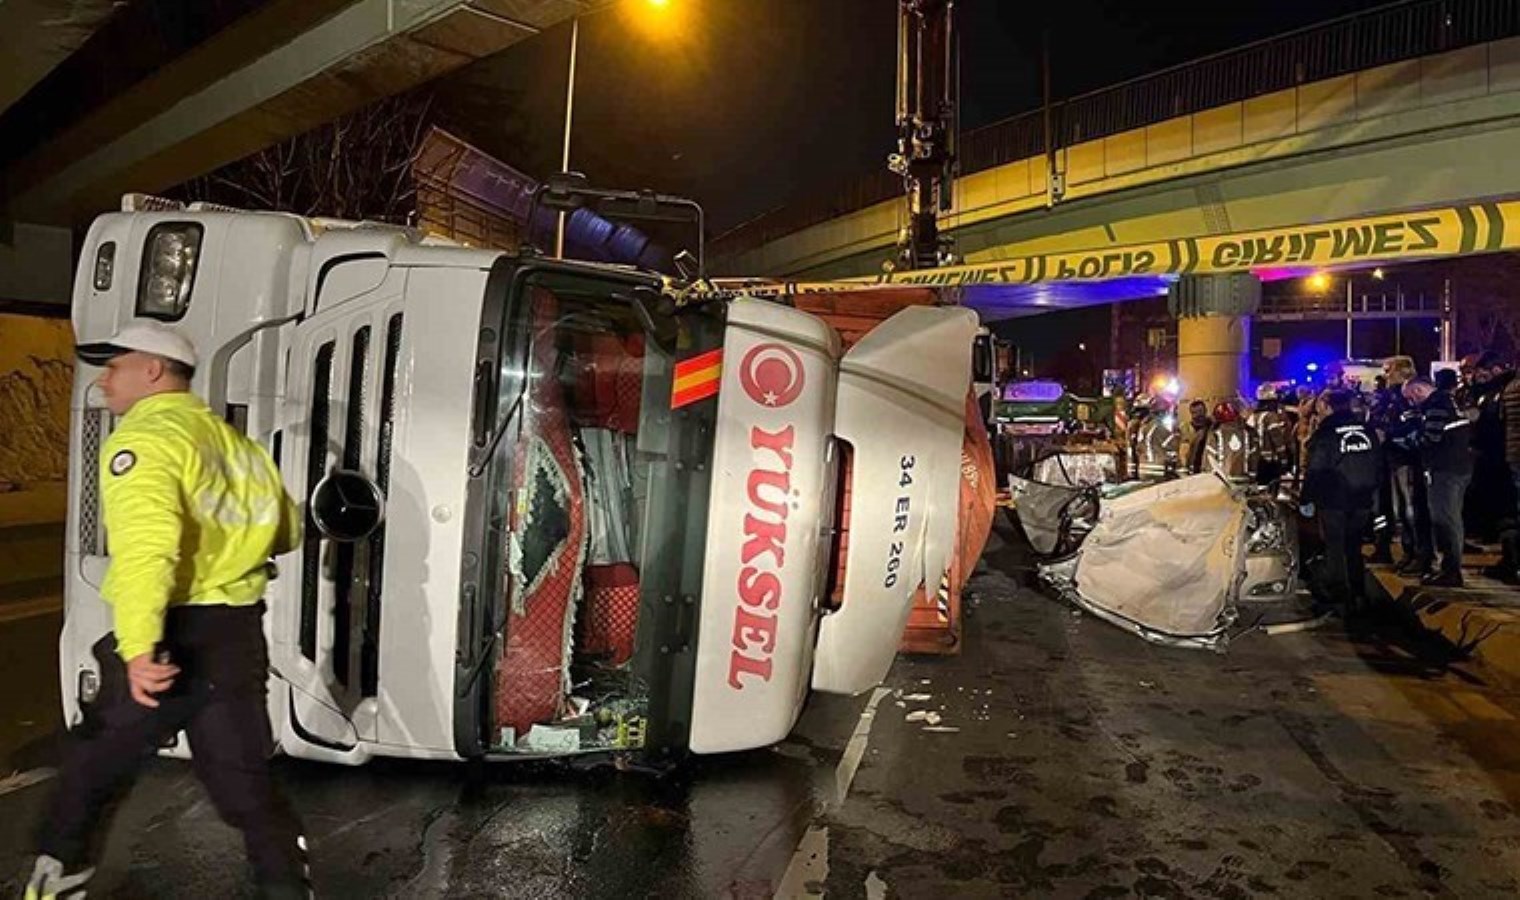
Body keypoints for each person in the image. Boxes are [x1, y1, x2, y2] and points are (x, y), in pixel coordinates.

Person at [28, 323, 310, 899]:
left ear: (153, 370)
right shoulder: (237, 447)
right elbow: (286, 528)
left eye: (115, 366)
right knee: (242, 782)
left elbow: (147, 551)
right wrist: (230, 552)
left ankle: (56, 883)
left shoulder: (145, 442)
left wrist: (137, 647)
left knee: (92, 764)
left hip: (172, 635)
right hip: (236, 633)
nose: (103, 379)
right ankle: (288, 887)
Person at [1302, 390, 1382, 613]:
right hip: (1362, 498)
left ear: (1327, 406)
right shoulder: (1367, 429)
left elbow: (1315, 469)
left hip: (1334, 499)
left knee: (1335, 547)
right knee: (1354, 547)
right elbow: (1378, 462)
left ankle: (1338, 595)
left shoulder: (1326, 433)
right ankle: (1358, 592)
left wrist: (1307, 498)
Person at [1405, 376, 1474, 587]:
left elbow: (1430, 438)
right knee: (1452, 518)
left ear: (1418, 390)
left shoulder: (1436, 405)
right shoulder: (1451, 401)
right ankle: (1449, 567)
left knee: (1444, 519)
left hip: (1444, 469)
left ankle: (1451, 570)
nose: (1411, 403)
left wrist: (1405, 440)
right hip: (1459, 467)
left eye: (1410, 397)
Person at [1206, 400, 1259, 485]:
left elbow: (1209, 460)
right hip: (1245, 480)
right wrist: (1252, 477)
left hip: (1223, 482)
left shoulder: (1215, 435)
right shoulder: (1247, 434)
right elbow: (1254, 457)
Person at [1249, 384, 1291, 489]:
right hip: (1270, 462)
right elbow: (1277, 439)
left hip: (1256, 461)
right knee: (1271, 492)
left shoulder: (1252, 417)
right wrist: (1283, 458)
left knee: (1260, 490)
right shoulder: (1271, 417)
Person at [1134, 395, 1181, 480]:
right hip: (1159, 471)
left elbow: (1138, 449)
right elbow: (1172, 450)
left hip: (1143, 470)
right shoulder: (1164, 428)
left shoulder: (1143, 427)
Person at [1185, 399, 1213, 475]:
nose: (1198, 415)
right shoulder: (1186, 429)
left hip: (1207, 469)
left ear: (1205, 411)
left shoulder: (1212, 428)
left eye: (1200, 411)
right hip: (1192, 469)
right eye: (1194, 412)